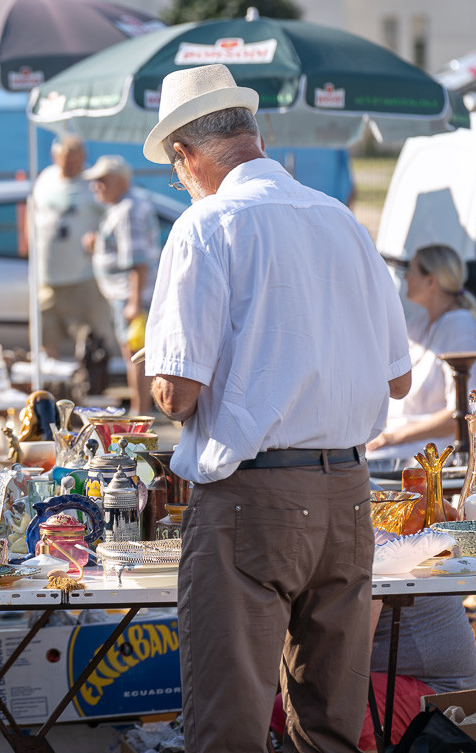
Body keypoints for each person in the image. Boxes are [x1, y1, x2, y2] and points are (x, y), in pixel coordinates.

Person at [140, 64, 411, 753]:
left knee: (228, 724)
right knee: (330, 727)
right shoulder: (341, 219)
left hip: (253, 499)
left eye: (175, 171)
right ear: (251, 136)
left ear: (186, 156)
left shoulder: (206, 225)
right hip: (346, 490)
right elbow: (401, 379)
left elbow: (177, 395)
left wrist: (161, 367)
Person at [270, 596, 476, 750]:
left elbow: (355, 654)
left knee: (306, 706)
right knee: (290, 701)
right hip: (412, 685)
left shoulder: (375, 554)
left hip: (439, 699)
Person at [367, 244, 476, 460]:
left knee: (356, 466)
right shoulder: (419, 323)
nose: (406, 277)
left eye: (411, 270)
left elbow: (467, 413)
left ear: (431, 281)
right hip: (399, 443)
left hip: (435, 452)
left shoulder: (461, 328)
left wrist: (394, 437)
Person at [81, 155, 159, 415]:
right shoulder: (124, 206)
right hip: (130, 294)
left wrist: (134, 303)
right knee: (136, 356)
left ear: (120, 181)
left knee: (136, 357)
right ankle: (140, 412)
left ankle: (140, 414)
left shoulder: (128, 210)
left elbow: (138, 260)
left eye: (102, 180)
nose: (95, 186)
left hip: (133, 295)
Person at [27, 134, 115, 360]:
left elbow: (113, 214)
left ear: (83, 157)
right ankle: (49, 380)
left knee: (90, 341)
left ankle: (89, 378)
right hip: (47, 277)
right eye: (66, 160)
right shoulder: (45, 179)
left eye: (75, 160)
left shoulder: (91, 183)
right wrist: (28, 246)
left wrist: (100, 237)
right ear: (54, 157)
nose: (71, 166)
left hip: (82, 276)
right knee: (46, 339)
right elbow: (31, 213)